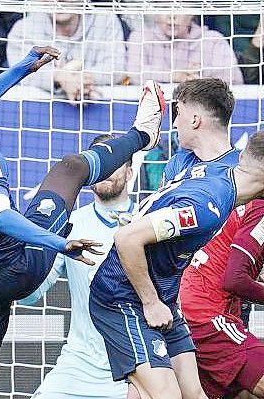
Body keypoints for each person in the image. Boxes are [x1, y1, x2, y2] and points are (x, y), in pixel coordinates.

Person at [0, 43, 166, 399]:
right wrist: (59, 243)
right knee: (71, 169)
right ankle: (141, 137)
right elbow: (0, 217)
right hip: (18, 267)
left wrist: (22, 69)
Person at [89, 106, 264, 398]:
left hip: (167, 297)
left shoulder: (218, 177)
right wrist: (150, 302)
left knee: (192, 395)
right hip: (123, 298)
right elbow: (127, 238)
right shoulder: (207, 206)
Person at [17, 133, 137, 399]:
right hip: (79, 363)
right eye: (101, 164)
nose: (106, 171)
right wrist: (10, 282)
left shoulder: (147, 221)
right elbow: (33, 293)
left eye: (114, 163)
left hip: (136, 366)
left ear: (129, 172)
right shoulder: (69, 224)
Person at [180, 199, 264, 399]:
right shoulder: (261, 210)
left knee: (241, 393)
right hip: (207, 315)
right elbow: (235, 280)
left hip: (190, 309)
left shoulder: (232, 201)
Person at [6, 0, 126, 102]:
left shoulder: (105, 21)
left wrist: (80, 79)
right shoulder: (23, 28)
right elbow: (19, 71)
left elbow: (116, 67)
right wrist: (60, 78)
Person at [126, 0, 243, 86]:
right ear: (155, 11)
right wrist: (175, 76)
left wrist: (198, 80)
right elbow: (132, 75)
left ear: (192, 12)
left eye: (178, 7)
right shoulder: (140, 37)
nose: (171, 15)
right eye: (164, 7)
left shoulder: (212, 40)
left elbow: (235, 79)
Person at [162, 78, 239, 185]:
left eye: (178, 113)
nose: (174, 124)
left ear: (195, 120)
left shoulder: (246, 169)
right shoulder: (177, 163)